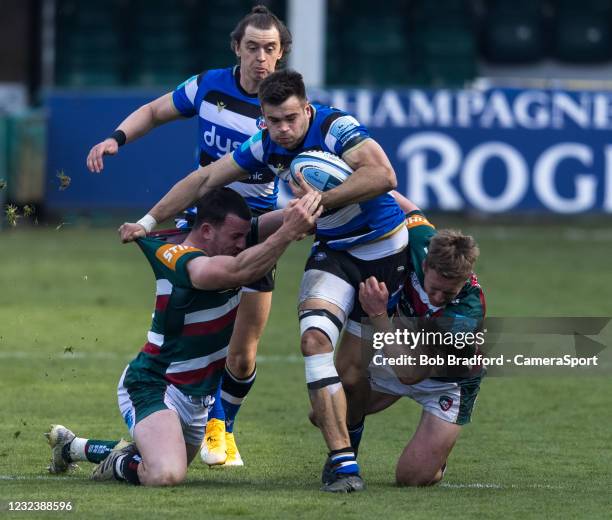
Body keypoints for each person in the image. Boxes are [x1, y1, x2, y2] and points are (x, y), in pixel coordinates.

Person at [119, 69, 408, 492]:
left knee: (352, 380)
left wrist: (319, 201)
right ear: (263, 118)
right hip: (334, 253)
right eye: (274, 121)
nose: (284, 129)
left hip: (383, 251)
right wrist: (148, 220)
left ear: (306, 109)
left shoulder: (336, 127)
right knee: (313, 341)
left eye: (291, 118)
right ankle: (342, 463)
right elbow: (204, 179)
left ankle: (346, 439)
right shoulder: (266, 144)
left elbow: (384, 176)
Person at [86, 5, 292, 467]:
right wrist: (117, 137)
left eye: (271, 49)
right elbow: (156, 111)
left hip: (254, 230)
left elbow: (302, 159)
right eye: (253, 47)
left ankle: (222, 428)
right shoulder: (208, 85)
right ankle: (167, 405)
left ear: (280, 56)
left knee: (241, 356)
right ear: (237, 48)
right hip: (203, 224)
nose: (261, 57)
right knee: (185, 325)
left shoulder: (283, 107)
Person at [45, 187, 321, 486]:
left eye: (245, 236)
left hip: (197, 399)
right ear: (205, 230)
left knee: (162, 456)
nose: (242, 244)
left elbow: (287, 219)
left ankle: (72, 447)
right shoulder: (179, 258)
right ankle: (120, 463)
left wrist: (316, 201)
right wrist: (287, 233)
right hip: (154, 384)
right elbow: (237, 271)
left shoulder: (225, 242)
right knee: (166, 473)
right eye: (236, 238)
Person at [356, 194, 485, 487]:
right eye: (435, 289)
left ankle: (437, 463)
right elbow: (401, 202)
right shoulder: (419, 240)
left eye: (448, 294)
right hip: (401, 348)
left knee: (411, 479)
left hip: (447, 381)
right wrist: (353, 178)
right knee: (326, 413)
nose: (439, 298)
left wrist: (378, 315)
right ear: (426, 265)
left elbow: (411, 373)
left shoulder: (468, 310)